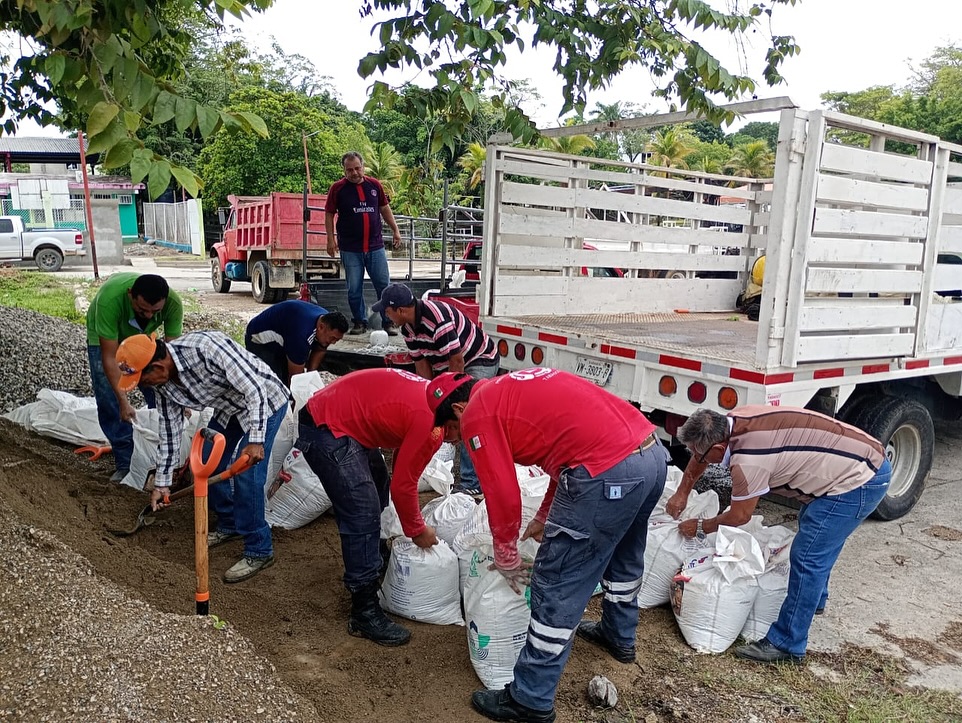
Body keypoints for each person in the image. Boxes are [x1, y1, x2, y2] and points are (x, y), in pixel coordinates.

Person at [427, 368, 668, 723]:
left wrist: (506, 555)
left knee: (556, 582)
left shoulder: (479, 413)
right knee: (623, 556)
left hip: (607, 471)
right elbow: (565, 451)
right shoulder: (510, 389)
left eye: (448, 430)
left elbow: (503, 494)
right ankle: (618, 636)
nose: (451, 440)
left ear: (460, 408)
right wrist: (543, 514)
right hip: (650, 456)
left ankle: (530, 698)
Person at [668, 406, 891, 665]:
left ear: (717, 449)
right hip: (859, 457)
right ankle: (813, 600)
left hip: (860, 479)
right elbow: (702, 455)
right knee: (815, 534)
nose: (695, 457)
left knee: (808, 556)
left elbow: (740, 516)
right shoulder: (735, 420)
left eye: (697, 453)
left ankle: (787, 643)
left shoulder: (748, 461)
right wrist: (682, 491)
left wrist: (700, 526)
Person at [115, 331, 290, 584]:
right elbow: (170, 433)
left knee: (247, 474)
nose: (146, 386)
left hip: (265, 402)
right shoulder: (164, 387)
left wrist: (255, 441)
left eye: (144, 380)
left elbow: (254, 390)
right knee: (206, 463)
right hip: (230, 407)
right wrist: (162, 483)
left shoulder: (206, 349)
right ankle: (229, 524)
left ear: (158, 365)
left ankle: (259, 549)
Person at [297, 368, 442, 646]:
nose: (458, 440)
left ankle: (374, 554)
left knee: (378, 482)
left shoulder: (436, 401)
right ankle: (363, 610)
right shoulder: (432, 424)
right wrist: (416, 530)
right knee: (361, 510)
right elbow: (405, 485)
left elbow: (402, 469)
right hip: (326, 425)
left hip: (344, 417)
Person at [374, 282, 499, 494]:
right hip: (449, 364)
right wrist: (430, 398)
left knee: (468, 414)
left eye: (387, 312)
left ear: (401, 310)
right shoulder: (407, 328)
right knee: (440, 409)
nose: (387, 317)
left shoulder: (436, 319)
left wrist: (446, 399)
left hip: (478, 360)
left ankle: (471, 485)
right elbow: (422, 365)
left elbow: (457, 362)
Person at [86, 272, 183, 482]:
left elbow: (171, 358)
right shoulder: (109, 302)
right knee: (109, 396)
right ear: (131, 295)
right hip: (108, 336)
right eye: (142, 310)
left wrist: (180, 398)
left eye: (154, 311)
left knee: (159, 388)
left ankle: (166, 460)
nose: (149, 316)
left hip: (143, 340)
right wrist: (123, 402)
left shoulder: (173, 303)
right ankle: (125, 462)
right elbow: (111, 358)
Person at [325, 151, 402, 337]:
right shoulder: (337, 188)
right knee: (354, 289)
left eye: (357, 168)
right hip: (350, 249)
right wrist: (330, 239)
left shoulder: (374, 185)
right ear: (344, 170)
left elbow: (384, 208)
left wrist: (395, 230)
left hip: (375, 246)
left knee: (384, 286)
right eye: (349, 170)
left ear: (363, 167)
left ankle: (389, 322)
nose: (354, 173)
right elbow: (329, 213)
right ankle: (359, 322)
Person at [244, 300, 349, 386]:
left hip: (284, 335)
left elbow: (320, 349)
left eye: (337, 340)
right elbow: (295, 378)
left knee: (290, 382)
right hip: (259, 341)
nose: (333, 342)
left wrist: (310, 378)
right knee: (274, 385)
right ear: (321, 327)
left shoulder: (325, 321)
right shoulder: (301, 335)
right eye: (333, 338)